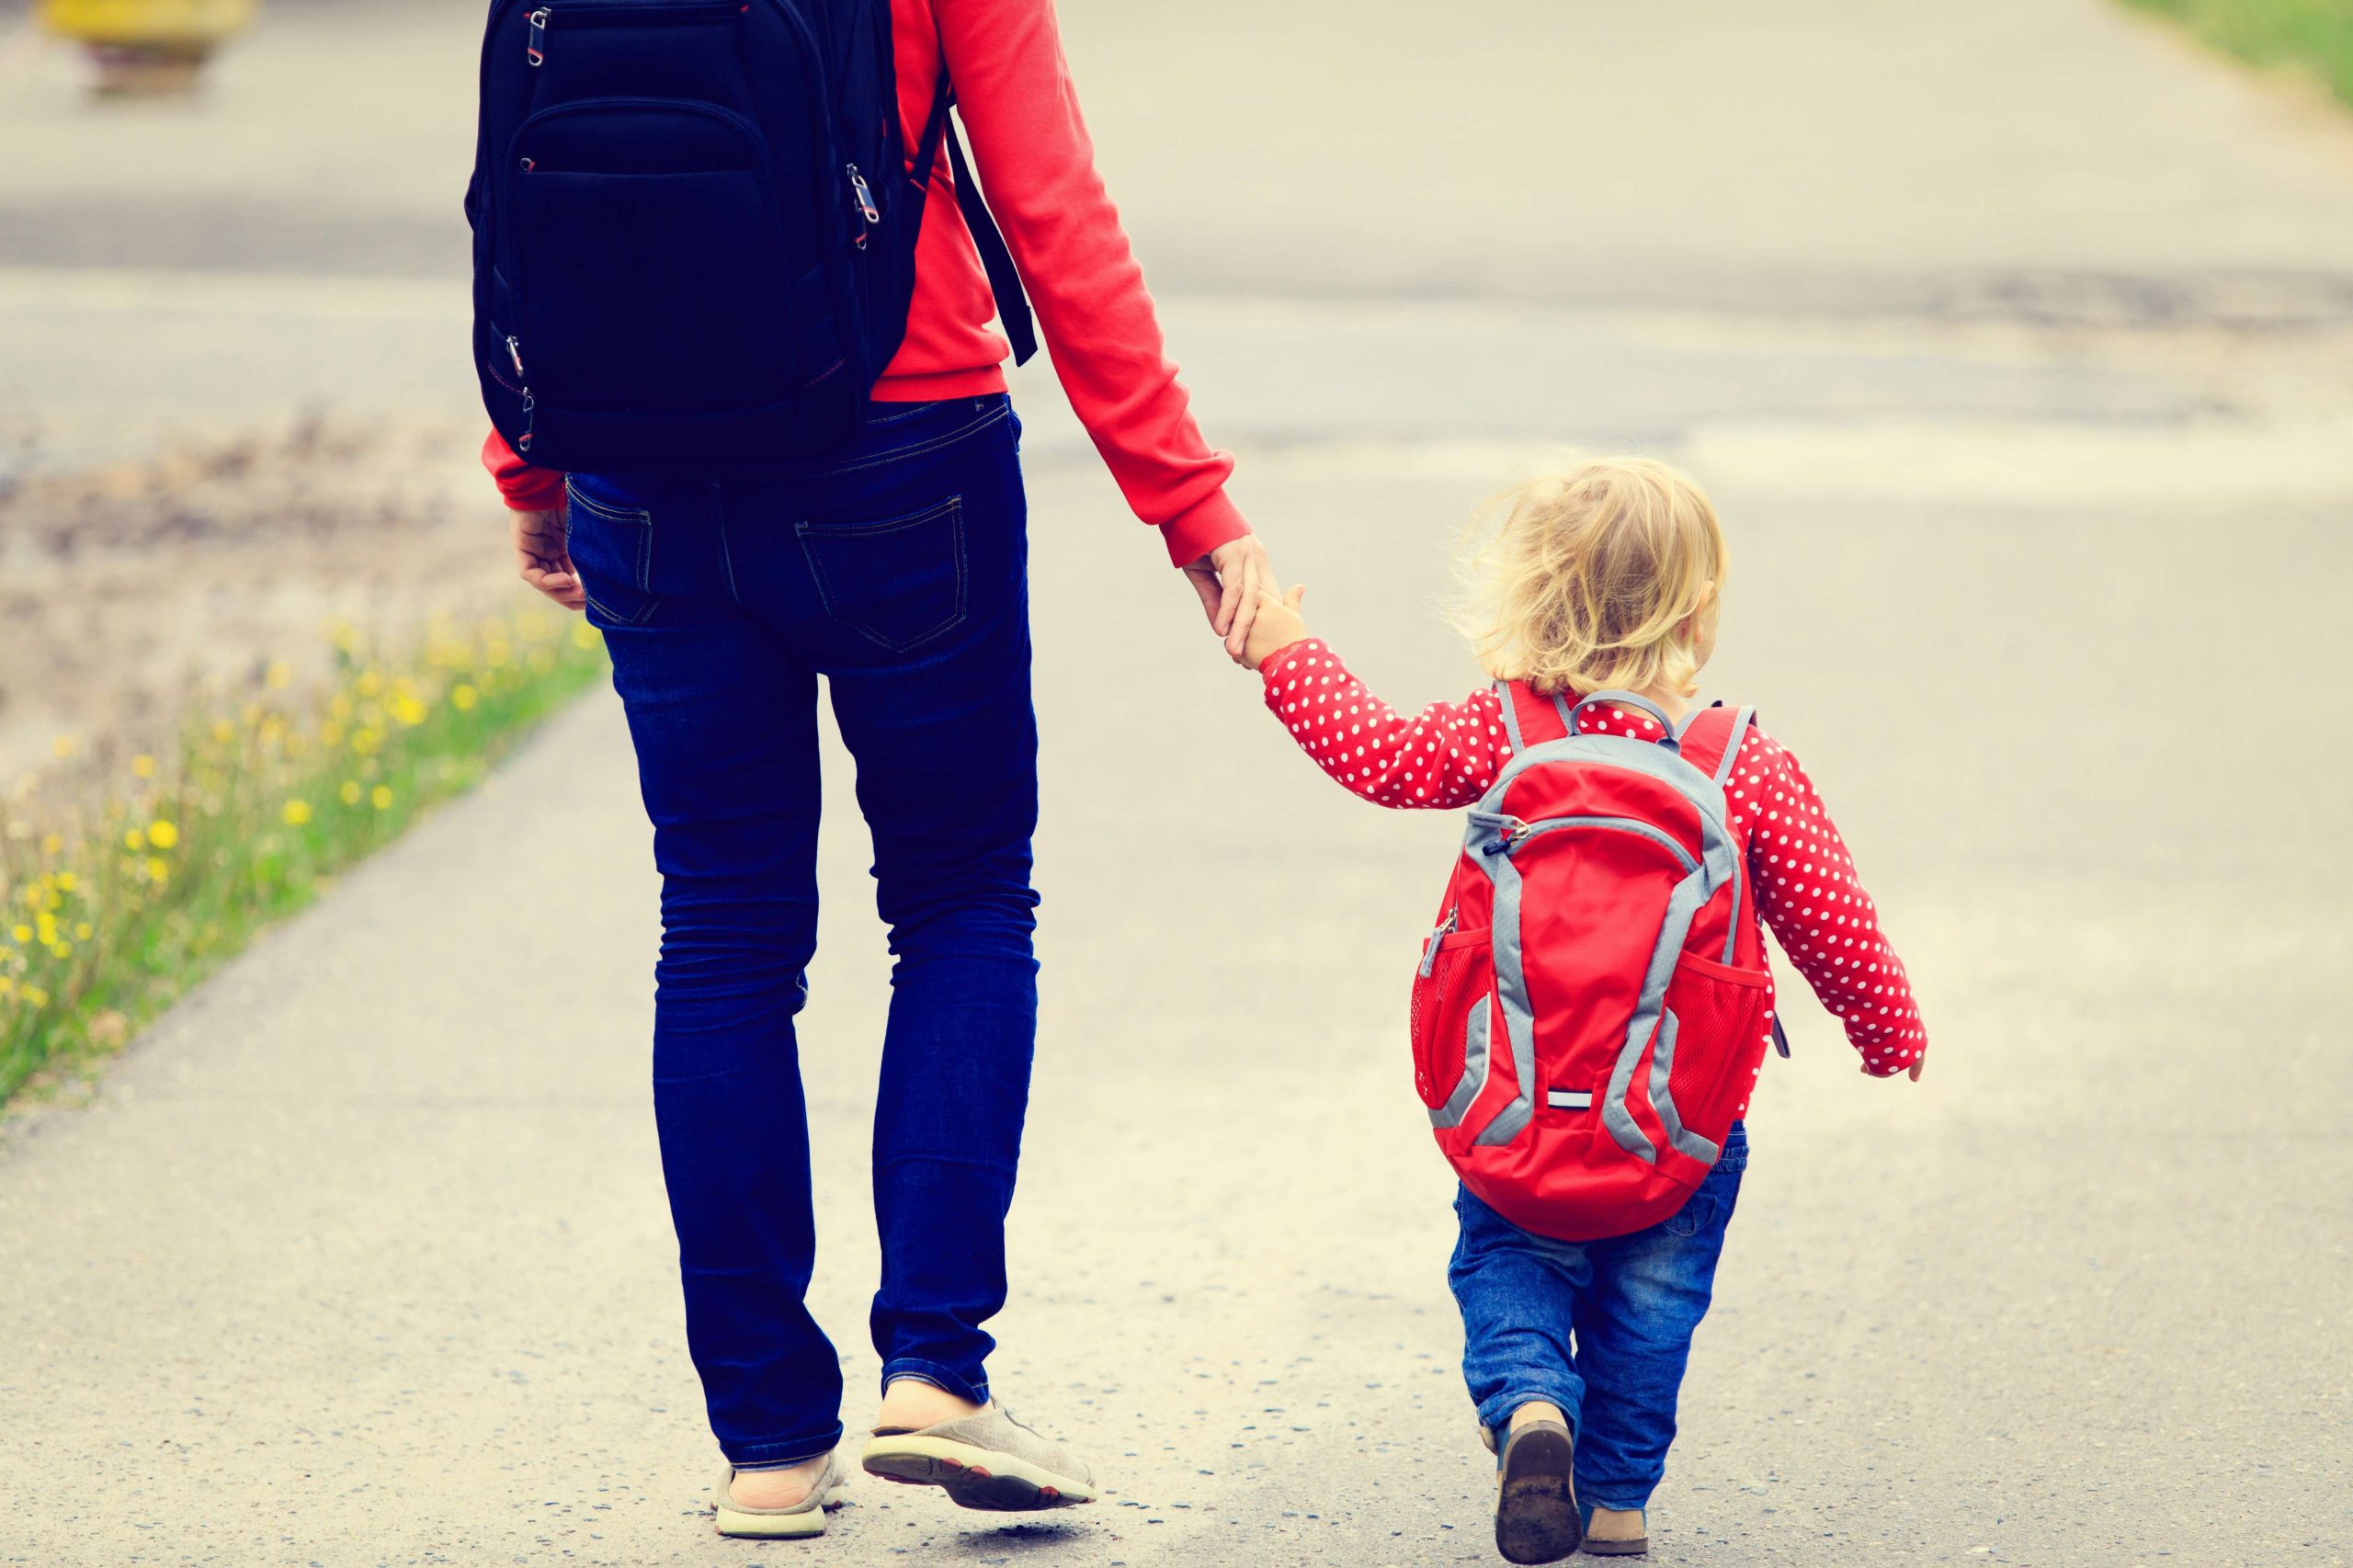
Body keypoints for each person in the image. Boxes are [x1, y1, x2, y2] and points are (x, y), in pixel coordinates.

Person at [487, 0, 1275, 1541]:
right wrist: (1190, 509)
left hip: (640, 466)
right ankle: (935, 1368)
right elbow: (1052, 207)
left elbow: (510, 194)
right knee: (964, 898)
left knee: (719, 932)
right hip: (902, 451)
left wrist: (535, 464)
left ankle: (770, 1449)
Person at [1237, 458, 1926, 1562]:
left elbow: (1373, 753)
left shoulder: (1509, 728)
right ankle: (1613, 1502)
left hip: (1512, 1097)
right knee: (1653, 1302)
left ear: (1534, 598)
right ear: (1698, 608)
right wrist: (1887, 1030)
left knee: (1507, 1255)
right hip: (1679, 1114)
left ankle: (1529, 1409)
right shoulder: (1733, 759)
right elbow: (1828, 911)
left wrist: (1282, 646)